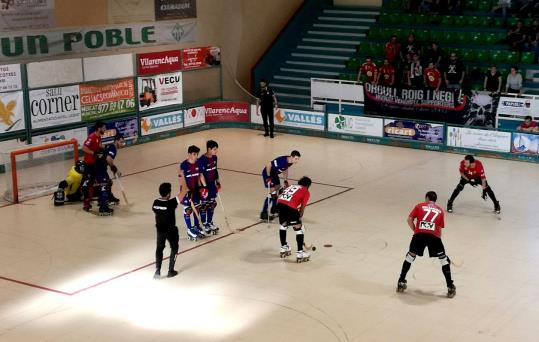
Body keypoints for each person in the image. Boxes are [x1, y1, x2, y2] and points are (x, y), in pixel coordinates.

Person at [397, 191, 456, 298]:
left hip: (419, 235)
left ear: (427, 198)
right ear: (435, 200)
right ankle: (450, 286)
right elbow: (439, 228)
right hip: (434, 237)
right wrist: (440, 246)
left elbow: (409, 219)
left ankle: (401, 281)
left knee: (410, 256)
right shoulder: (440, 211)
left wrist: (416, 231)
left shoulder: (419, 206)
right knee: (443, 260)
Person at [152, 182, 186, 279]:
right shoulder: (171, 203)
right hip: (171, 230)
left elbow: (160, 210)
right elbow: (184, 191)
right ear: (168, 193)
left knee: (159, 248)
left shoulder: (155, 203)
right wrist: (182, 177)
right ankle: (170, 271)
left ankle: (157, 271)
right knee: (174, 248)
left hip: (160, 230)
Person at [277, 176, 312, 263]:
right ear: (308, 185)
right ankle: (300, 253)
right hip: (290, 207)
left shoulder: (291, 186)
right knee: (298, 229)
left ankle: (283, 248)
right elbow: (302, 208)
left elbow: (281, 195)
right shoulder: (306, 191)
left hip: (280, 204)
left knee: (283, 225)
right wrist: (298, 220)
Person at [260, 150, 301, 220]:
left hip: (274, 174)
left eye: (298, 159)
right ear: (291, 157)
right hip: (268, 174)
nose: (297, 161)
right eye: (296, 159)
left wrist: (285, 180)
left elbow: (285, 169)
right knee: (272, 193)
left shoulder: (290, 161)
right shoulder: (282, 161)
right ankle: (264, 213)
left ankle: (274, 208)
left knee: (278, 188)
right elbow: (268, 165)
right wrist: (268, 177)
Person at [179, 145, 208, 240]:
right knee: (188, 210)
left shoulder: (198, 163)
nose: (196, 156)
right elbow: (181, 179)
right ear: (189, 154)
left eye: (197, 154)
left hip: (195, 190)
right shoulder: (184, 165)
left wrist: (204, 187)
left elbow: (201, 175)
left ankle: (196, 226)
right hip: (186, 191)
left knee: (197, 208)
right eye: (194, 154)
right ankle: (189, 229)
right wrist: (187, 191)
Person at [93, 133, 125, 215]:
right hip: (98, 168)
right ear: (116, 141)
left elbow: (103, 150)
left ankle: (109, 198)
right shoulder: (113, 148)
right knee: (104, 185)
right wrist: (114, 169)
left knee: (109, 182)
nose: (122, 144)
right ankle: (103, 207)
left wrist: (113, 169)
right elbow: (108, 158)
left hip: (101, 168)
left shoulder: (110, 146)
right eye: (121, 142)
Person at [197, 140, 221, 235]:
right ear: (209, 149)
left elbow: (215, 170)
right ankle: (204, 223)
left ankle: (210, 222)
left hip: (212, 184)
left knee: (212, 203)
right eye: (214, 149)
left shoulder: (215, 157)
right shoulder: (201, 160)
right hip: (204, 185)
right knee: (204, 205)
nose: (216, 151)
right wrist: (202, 187)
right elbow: (200, 174)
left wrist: (218, 182)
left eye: (216, 149)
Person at [82, 121, 106, 212]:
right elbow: (84, 148)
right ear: (99, 128)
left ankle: (101, 200)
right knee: (87, 184)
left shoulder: (99, 137)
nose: (105, 129)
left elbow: (99, 145)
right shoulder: (92, 137)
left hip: (96, 164)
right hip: (89, 164)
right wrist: (94, 153)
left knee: (101, 181)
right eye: (104, 128)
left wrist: (105, 148)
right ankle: (86, 204)